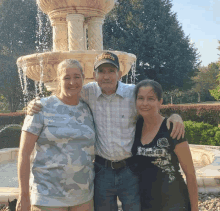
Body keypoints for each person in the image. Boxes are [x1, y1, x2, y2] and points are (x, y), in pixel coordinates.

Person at [27, 52, 185, 211]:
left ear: (120, 74)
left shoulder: (133, 93)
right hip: (102, 172)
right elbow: (64, 93)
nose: (106, 76)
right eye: (101, 71)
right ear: (94, 75)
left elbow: (152, 106)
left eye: (111, 71)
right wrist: (36, 103)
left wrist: (175, 116)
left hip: (130, 170)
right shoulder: (87, 92)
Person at [16, 59, 95, 211]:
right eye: (66, 77)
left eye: (77, 76)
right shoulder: (41, 108)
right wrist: (24, 194)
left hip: (83, 196)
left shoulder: (87, 109)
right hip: (48, 197)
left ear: (83, 78)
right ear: (58, 80)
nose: (72, 82)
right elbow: (24, 154)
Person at [132, 79, 198, 211]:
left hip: (174, 202)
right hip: (145, 203)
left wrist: (195, 209)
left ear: (160, 101)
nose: (145, 103)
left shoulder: (172, 128)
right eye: (140, 98)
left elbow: (190, 174)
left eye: (151, 98)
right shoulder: (135, 127)